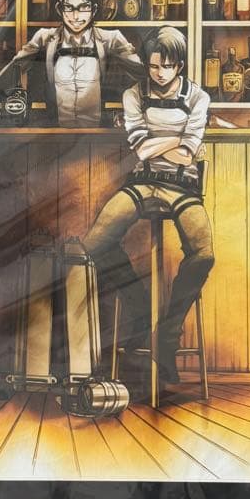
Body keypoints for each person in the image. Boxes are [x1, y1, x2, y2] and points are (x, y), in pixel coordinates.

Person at [83, 26, 215, 389]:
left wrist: (166, 144)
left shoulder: (198, 97)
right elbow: (142, 149)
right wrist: (176, 141)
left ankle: (166, 340)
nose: (159, 73)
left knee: (203, 254)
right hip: (141, 182)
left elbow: (187, 154)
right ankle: (140, 310)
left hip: (184, 186)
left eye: (167, 67)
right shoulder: (133, 94)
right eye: (153, 66)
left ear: (180, 66)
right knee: (92, 247)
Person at [0, 0, 144, 127]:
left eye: (83, 7)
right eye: (69, 7)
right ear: (60, 9)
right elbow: (8, 74)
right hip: (55, 134)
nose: (75, 16)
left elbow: (144, 74)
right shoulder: (45, 38)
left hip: (97, 134)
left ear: (94, 9)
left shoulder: (111, 39)